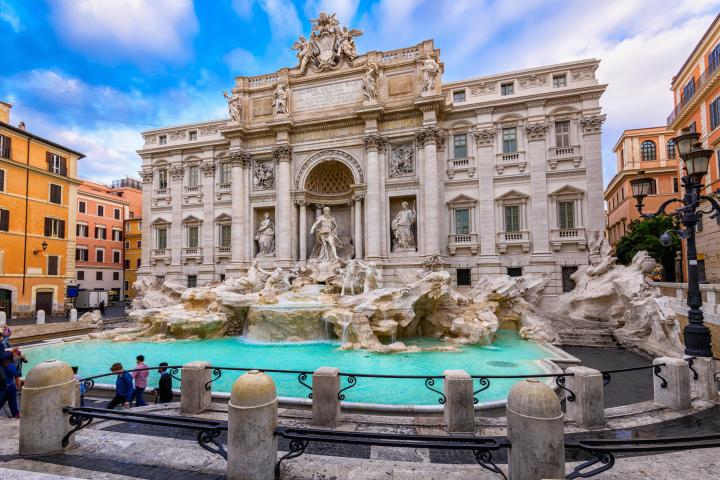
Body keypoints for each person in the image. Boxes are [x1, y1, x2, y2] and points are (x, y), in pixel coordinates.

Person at [0, 352, 20, 418]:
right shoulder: (11, 366)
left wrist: (18, 387)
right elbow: (17, 377)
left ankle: (16, 415)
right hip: (9, 387)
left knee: (12, 403)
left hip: (7, 388)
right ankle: (16, 415)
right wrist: (18, 387)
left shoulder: (9, 366)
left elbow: (16, 378)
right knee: (12, 403)